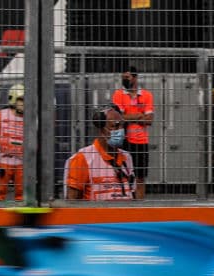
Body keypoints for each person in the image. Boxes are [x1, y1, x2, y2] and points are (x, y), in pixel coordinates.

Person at [64, 105, 135, 201]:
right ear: (100, 129)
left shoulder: (127, 157)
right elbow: (71, 201)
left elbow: (132, 192)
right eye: (115, 126)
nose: (120, 130)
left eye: (122, 126)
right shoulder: (83, 158)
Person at [111, 65, 153, 199]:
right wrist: (139, 116)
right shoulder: (118, 94)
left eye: (127, 77)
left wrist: (128, 117)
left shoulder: (146, 95)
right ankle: (125, 202)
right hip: (122, 141)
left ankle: (140, 205)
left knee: (140, 177)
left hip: (141, 142)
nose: (124, 80)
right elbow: (117, 118)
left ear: (135, 78)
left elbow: (149, 120)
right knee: (122, 175)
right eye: (123, 77)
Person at [0, 83, 25, 201]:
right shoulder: (1, 115)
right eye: (21, 100)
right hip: (3, 159)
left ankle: (21, 206)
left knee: (22, 190)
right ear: (13, 100)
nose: (24, 103)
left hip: (23, 160)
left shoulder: (31, 117)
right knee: (0, 189)